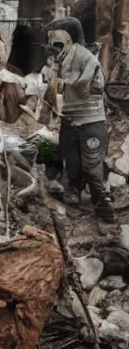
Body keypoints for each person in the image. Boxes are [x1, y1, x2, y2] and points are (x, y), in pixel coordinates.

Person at [45, 17, 115, 225]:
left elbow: (85, 85)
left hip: (91, 121)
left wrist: (61, 83)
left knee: (92, 170)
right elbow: (51, 82)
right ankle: (74, 192)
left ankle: (104, 211)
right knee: (72, 163)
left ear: (69, 39)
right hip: (70, 120)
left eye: (56, 40)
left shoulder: (88, 59)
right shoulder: (61, 59)